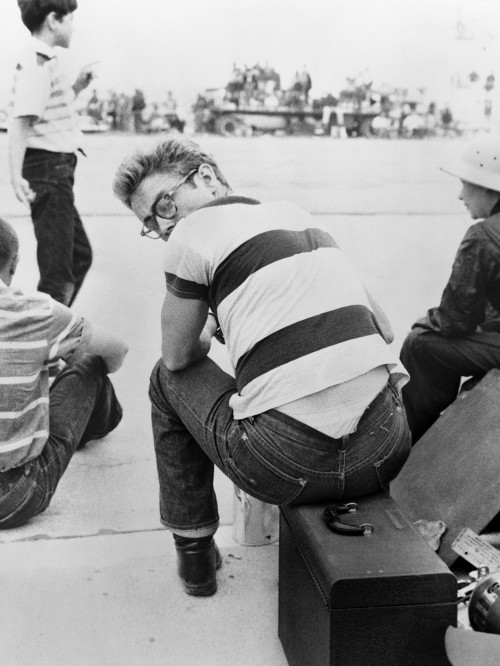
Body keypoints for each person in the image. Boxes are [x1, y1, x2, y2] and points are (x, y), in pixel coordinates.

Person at [112, 137, 411, 597]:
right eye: (151, 222)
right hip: (385, 450)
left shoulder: (193, 236)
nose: (164, 226)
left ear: (207, 177)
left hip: (286, 468)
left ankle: (194, 555)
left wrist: (211, 319)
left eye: (165, 204)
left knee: (162, 380)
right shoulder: (298, 215)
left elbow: (176, 358)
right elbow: (386, 329)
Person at [0, 218, 128, 528]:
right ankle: (97, 425)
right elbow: (117, 349)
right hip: (14, 495)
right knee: (90, 363)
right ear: (13, 265)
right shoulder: (37, 312)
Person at [400, 136, 500, 444]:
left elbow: (455, 320)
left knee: (420, 343)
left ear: (487, 187)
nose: (461, 195)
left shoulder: (481, 235)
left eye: (465, 184)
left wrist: (426, 321)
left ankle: (410, 441)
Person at [9, 0, 97, 306]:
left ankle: (49, 331)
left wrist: (77, 87)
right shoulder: (38, 65)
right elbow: (21, 122)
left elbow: (43, 111)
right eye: (69, 19)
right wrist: (15, 175)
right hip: (48, 171)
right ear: (52, 21)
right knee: (59, 272)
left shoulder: (45, 62)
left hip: (55, 170)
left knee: (77, 256)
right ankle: (45, 344)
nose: (73, 26)